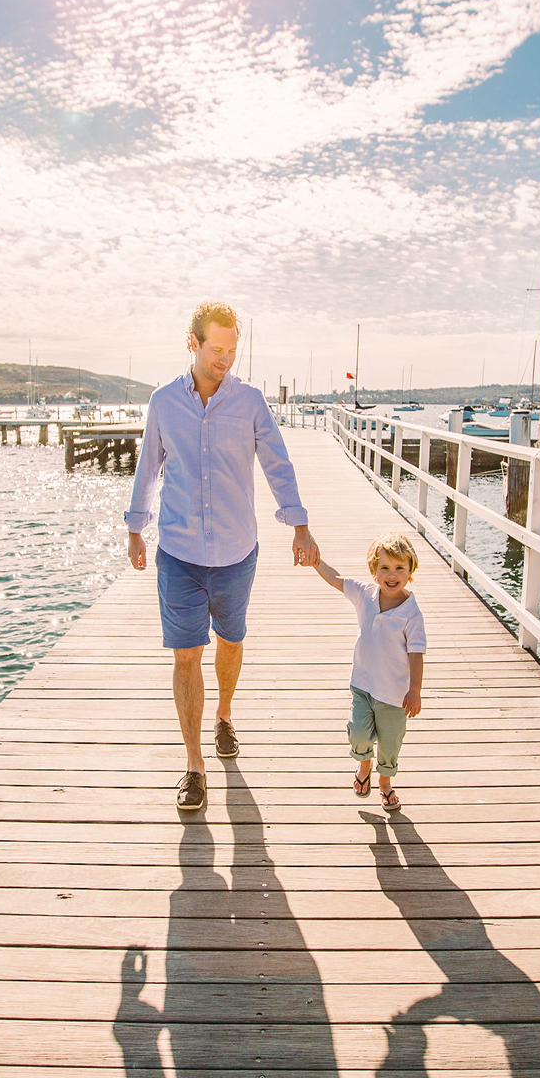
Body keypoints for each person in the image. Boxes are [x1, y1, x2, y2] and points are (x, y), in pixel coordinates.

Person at [125, 301, 319, 811]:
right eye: (216, 350)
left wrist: (299, 525)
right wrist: (134, 529)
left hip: (237, 550)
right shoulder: (164, 402)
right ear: (193, 343)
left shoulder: (250, 402)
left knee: (230, 642)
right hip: (179, 551)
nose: (225, 360)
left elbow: (278, 464)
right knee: (186, 656)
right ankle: (194, 765)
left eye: (232, 351)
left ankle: (225, 714)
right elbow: (148, 468)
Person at [312, 530, 426, 812]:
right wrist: (316, 562)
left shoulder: (411, 613)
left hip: (395, 696)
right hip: (363, 685)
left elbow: (416, 653)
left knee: (389, 745)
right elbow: (336, 579)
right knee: (359, 734)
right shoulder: (365, 594)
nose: (392, 575)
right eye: (385, 567)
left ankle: (385, 784)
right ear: (374, 570)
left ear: (410, 570)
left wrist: (415, 691)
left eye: (400, 568)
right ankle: (364, 765)